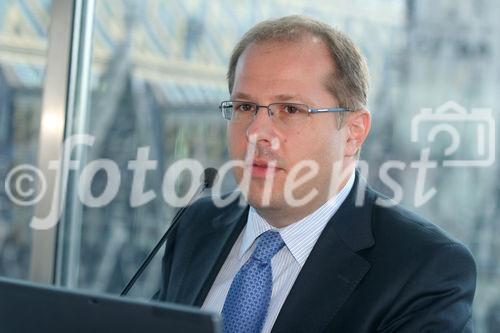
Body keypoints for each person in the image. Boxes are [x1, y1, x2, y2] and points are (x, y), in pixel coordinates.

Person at [155, 15, 476, 332]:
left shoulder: (425, 271)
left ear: (353, 132)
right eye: (245, 107)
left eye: (290, 110)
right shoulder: (195, 226)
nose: (256, 132)